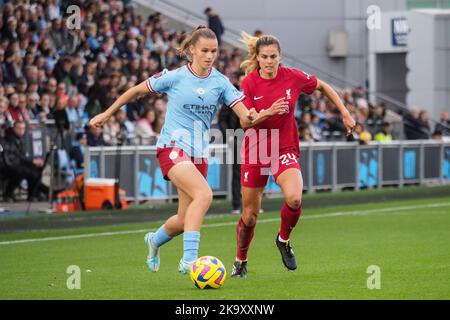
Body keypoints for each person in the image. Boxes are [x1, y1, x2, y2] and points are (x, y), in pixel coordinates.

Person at [89, 26, 286, 275]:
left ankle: (154, 241)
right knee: (204, 195)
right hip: (172, 147)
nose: (209, 55)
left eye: (213, 51)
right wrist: (107, 113)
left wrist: (263, 114)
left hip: (198, 155)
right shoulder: (175, 77)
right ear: (192, 50)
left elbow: (245, 119)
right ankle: (190, 260)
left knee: (184, 220)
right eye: (204, 50)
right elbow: (137, 90)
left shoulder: (220, 82)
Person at [231, 32, 355, 278]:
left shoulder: (293, 78)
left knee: (295, 199)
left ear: (280, 57)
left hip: (284, 147)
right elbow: (246, 123)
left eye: (273, 56)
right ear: (257, 57)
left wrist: (344, 111)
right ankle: (240, 260)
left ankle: (283, 240)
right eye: (264, 56)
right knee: (250, 216)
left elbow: (322, 85)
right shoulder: (249, 83)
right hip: (257, 148)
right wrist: (268, 111)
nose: (269, 61)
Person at [1, 120, 49, 202]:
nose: (21, 131)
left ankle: (33, 195)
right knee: (22, 171)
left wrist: (33, 162)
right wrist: (32, 161)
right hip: (6, 165)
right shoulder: (9, 138)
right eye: (19, 128)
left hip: (17, 164)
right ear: (14, 128)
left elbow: (21, 156)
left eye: (23, 128)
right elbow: (14, 156)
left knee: (35, 170)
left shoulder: (20, 139)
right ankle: (8, 194)